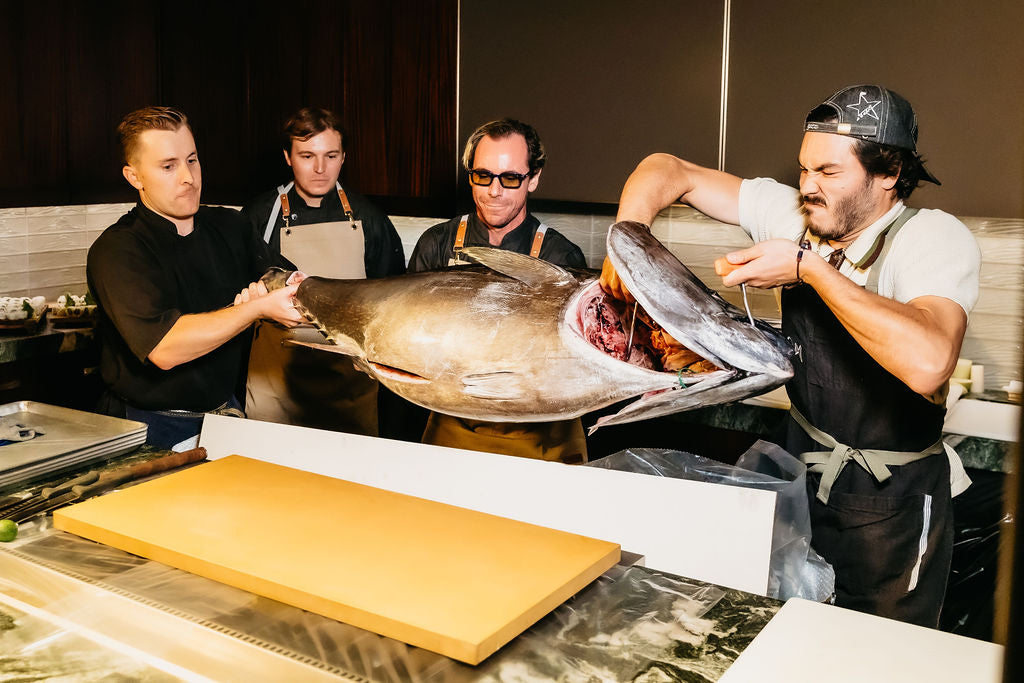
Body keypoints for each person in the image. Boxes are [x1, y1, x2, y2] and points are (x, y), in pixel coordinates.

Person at [601, 85, 980, 627]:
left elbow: (929, 362)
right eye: (803, 169)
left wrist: (809, 269)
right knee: (780, 634)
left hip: (892, 505)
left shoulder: (933, 238)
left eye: (828, 172)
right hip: (800, 478)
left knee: (876, 656)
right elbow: (668, 169)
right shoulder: (794, 214)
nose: (807, 187)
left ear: (889, 172)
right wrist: (629, 239)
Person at [88, 106, 304, 449]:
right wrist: (253, 310)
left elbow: (280, 276)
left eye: (192, 160)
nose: (188, 177)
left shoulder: (230, 226)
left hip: (226, 415)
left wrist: (290, 285)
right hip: (148, 428)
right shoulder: (118, 250)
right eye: (168, 166)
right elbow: (165, 348)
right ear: (134, 177)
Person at [408, 118, 589, 463]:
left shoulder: (560, 257)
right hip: (453, 432)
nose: (494, 191)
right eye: (483, 176)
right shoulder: (437, 245)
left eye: (510, 178)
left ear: (533, 178)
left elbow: (572, 367)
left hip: (541, 439)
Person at [241, 107, 405, 437]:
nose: (320, 169)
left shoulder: (369, 218)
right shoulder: (259, 217)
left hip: (350, 386)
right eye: (307, 156)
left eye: (330, 155)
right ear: (288, 157)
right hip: (277, 386)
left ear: (344, 157)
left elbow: (394, 301)